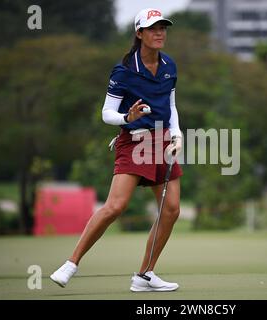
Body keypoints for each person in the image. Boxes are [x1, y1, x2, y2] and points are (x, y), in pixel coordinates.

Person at [50, 8, 183, 292]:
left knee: (171, 209)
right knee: (115, 206)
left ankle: (145, 275)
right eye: (153, 28)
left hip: (162, 142)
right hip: (134, 142)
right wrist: (127, 118)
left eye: (163, 28)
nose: (160, 33)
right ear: (139, 34)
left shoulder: (170, 65)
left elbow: (170, 105)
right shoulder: (124, 70)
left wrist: (178, 134)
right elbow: (106, 112)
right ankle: (71, 264)